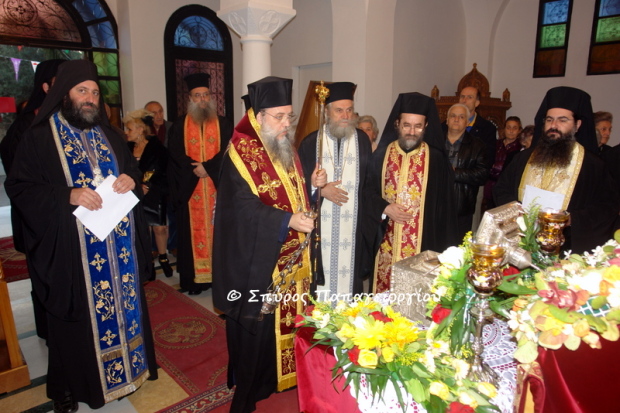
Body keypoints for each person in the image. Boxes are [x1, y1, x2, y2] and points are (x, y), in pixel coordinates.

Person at [5, 59, 157, 412]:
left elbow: (132, 170)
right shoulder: (39, 138)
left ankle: (128, 372)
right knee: (77, 320)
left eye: (95, 92)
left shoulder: (111, 135)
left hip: (119, 251)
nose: (90, 98)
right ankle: (77, 386)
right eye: (82, 91)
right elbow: (20, 187)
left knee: (126, 310)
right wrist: (67, 195)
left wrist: (131, 179)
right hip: (74, 253)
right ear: (64, 94)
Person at [212, 76, 323, 413]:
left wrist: (311, 186)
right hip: (259, 264)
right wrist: (286, 221)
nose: (287, 123)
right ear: (258, 116)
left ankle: (283, 378)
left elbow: (291, 193)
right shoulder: (240, 154)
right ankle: (254, 387)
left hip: (292, 262)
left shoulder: (282, 144)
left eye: (290, 116)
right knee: (259, 332)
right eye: (279, 116)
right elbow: (241, 209)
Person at [494, 86, 619, 254]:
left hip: (567, 249)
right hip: (521, 245)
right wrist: (516, 210)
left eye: (562, 120)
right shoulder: (523, 158)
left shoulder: (593, 166)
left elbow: (607, 207)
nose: (554, 125)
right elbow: (501, 189)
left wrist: (571, 219)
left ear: (577, 125)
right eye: (549, 120)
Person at [369, 92, 458, 293]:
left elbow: (446, 210)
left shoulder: (437, 160)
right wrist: (384, 208)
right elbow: (367, 191)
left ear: (426, 126)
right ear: (397, 124)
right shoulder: (381, 155)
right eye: (406, 125)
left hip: (425, 243)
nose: (411, 132)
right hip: (385, 241)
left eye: (418, 126)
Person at [298, 82, 373, 298]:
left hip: (353, 229)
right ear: (327, 112)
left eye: (349, 110)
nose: (345, 116)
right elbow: (297, 186)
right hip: (320, 231)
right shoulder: (311, 143)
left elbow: (369, 185)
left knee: (351, 287)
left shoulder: (362, 141)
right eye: (339, 110)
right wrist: (319, 190)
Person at [167, 73, 232, 295]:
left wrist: (208, 167)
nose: (202, 99)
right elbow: (175, 154)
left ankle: (219, 279)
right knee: (190, 234)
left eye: (205, 94)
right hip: (190, 188)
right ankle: (194, 281)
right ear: (190, 98)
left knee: (220, 233)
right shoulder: (179, 125)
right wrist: (194, 169)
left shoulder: (223, 123)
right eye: (197, 95)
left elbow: (229, 152)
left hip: (217, 189)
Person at [123, 109, 173, 279]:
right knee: (143, 229)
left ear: (140, 129)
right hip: (134, 193)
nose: (127, 132)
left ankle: (163, 257)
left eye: (129, 129)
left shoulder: (157, 147)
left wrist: (148, 185)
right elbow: (124, 170)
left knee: (159, 228)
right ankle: (148, 262)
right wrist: (137, 185)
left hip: (155, 192)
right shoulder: (127, 148)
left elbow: (162, 170)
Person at [444, 103, 489, 239]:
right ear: (447, 120)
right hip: (436, 205)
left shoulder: (477, 145)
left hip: (462, 206)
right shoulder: (434, 142)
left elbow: (482, 174)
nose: (456, 119)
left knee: (457, 247)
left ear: (467, 122)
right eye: (453, 116)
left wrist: (453, 172)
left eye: (461, 117)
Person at [483, 116, 523, 210]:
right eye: (508, 127)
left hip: (507, 186)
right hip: (490, 183)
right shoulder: (496, 144)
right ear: (504, 129)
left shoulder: (520, 148)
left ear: (519, 131)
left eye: (514, 128)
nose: (511, 131)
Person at [457, 86, 497, 167]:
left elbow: (488, 159)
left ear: (477, 103)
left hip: (472, 172)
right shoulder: (446, 125)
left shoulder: (487, 128)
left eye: (469, 97)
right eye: (462, 97)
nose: (464, 100)